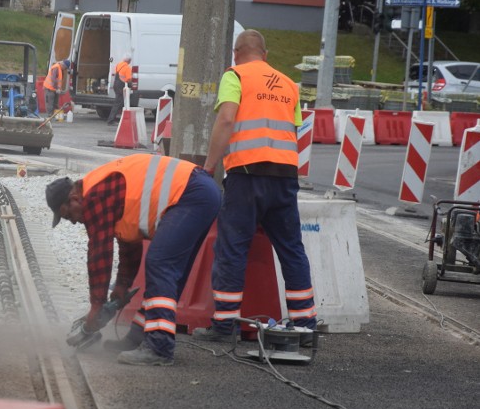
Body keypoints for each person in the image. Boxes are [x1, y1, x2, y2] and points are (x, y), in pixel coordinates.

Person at [196, 29, 317, 343]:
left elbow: (226, 120)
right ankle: (305, 325)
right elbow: (294, 129)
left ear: (236, 53)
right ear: (265, 55)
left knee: (233, 248)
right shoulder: (289, 85)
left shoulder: (235, 76)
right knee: (291, 249)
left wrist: (209, 166)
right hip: (285, 176)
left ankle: (224, 325)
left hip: (247, 175)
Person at [47, 153, 221, 366]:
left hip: (191, 194)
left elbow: (99, 252)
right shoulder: (103, 191)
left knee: (160, 263)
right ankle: (138, 336)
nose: (73, 222)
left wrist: (96, 306)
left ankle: (159, 348)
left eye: (68, 216)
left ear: (73, 199)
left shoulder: (94, 197)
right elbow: (130, 246)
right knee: (171, 272)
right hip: (200, 193)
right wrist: (122, 285)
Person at [107, 54, 132, 126]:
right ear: (129, 61)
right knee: (118, 103)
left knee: (119, 102)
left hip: (116, 84)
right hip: (121, 86)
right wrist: (131, 85)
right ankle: (111, 120)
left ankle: (114, 118)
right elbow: (128, 79)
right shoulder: (127, 68)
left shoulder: (119, 64)